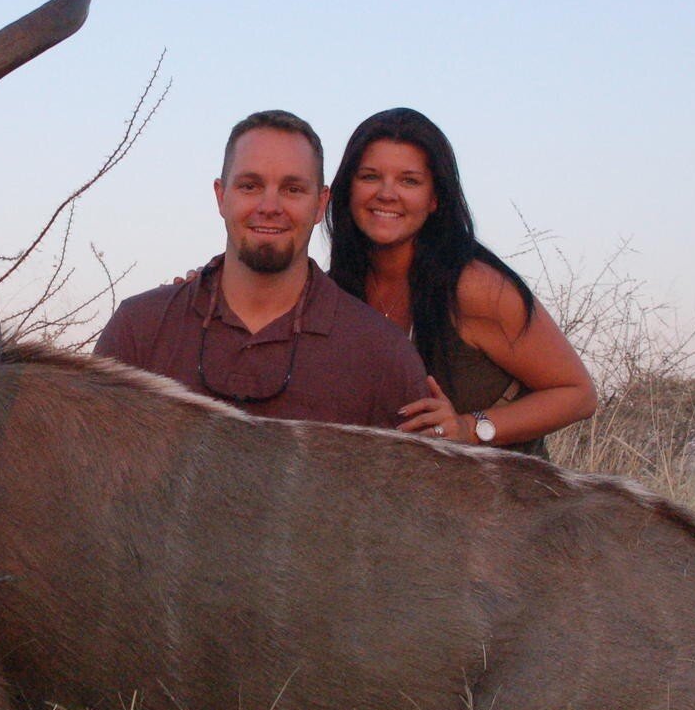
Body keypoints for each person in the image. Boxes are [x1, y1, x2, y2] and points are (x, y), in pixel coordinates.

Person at [95, 109, 428, 429]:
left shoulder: (383, 355)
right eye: (250, 186)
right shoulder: (140, 331)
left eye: (292, 189)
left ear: (320, 204)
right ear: (221, 195)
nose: (270, 207)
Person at [326, 108, 595, 456]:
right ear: (346, 189)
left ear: (435, 198)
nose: (387, 193)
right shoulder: (332, 293)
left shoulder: (474, 287)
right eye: (370, 177)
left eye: (409, 181)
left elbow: (578, 394)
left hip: (503, 500)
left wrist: (468, 428)